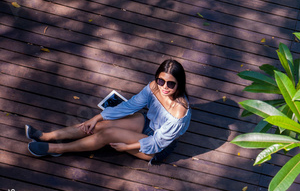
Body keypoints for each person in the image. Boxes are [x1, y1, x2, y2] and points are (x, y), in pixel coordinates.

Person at [26, 59, 191, 164]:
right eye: (161, 80)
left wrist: (126, 147)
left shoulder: (179, 113)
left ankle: (56, 150)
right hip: (148, 123)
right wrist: (98, 117)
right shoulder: (154, 87)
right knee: (100, 125)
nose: (164, 87)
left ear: (179, 85)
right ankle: (47, 136)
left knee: (108, 134)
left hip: (157, 147)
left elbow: (156, 143)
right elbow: (131, 105)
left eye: (171, 84)